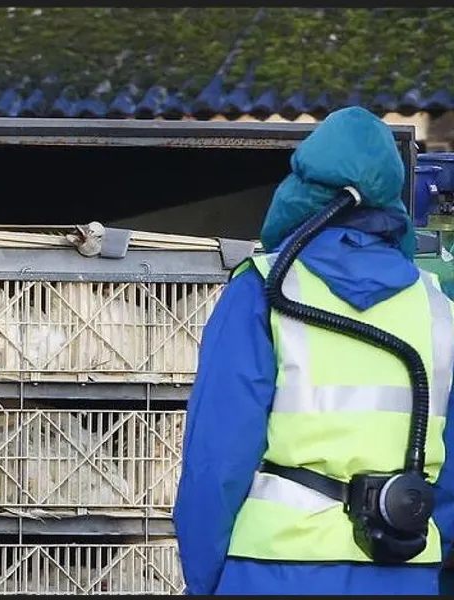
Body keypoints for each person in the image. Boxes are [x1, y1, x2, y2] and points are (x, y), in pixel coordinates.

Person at [172, 106, 454, 595]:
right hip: (401, 569)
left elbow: (217, 459)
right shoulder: (437, 307)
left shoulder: (263, 290)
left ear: (307, 188)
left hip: (274, 569)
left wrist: (205, 579)